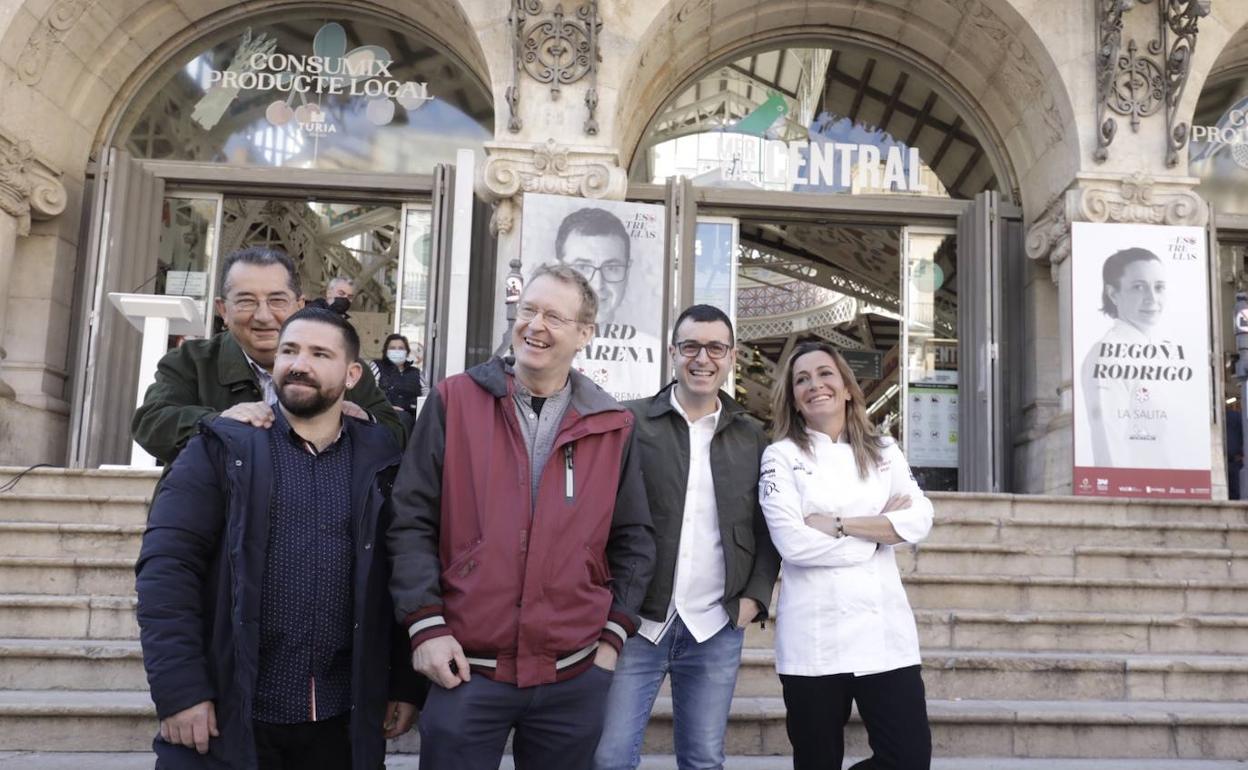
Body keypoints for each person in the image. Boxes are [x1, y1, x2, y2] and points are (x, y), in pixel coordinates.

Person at [387, 264, 656, 770]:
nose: (535, 325)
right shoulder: (454, 400)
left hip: (573, 676)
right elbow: (410, 519)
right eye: (528, 310)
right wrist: (425, 625)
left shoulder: (612, 424)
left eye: (554, 316)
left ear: (584, 334)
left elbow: (634, 538)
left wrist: (613, 638)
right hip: (466, 668)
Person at [135, 306, 424, 769]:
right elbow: (167, 572)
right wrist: (180, 690)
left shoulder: (382, 461)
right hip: (233, 718)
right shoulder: (220, 447)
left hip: (340, 725)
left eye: (318, 353)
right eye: (289, 350)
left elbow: (402, 573)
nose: (299, 363)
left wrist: (405, 685)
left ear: (351, 375)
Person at [594, 304, 780, 770]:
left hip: (715, 625)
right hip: (637, 622)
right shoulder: (629, 423)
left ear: (732, 356)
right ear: (674, 352)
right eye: (692, 346)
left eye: (715, 347)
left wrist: (754, 599)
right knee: (610, 756)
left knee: (702, 759)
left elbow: (769, 528)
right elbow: (599, 517)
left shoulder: (752, 437)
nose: (703, 358)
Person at [760, 341, 934, 770]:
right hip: (814, 640)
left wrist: (841, 524)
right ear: (794, 400)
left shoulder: (885, 450)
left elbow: (920, 519)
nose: (814, 385)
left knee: (908, 759)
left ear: (848, 388)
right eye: (802, 379)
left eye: (824, 374)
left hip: (885, 637)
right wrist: (879, 532)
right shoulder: (780, 456)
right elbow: (794, 545)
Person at [132, 247, 403, 463]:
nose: (263, 316)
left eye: (277, 301)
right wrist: (220, 422)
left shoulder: (340, 368)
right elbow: (151, 423)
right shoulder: (191, 361)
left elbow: (395, 433)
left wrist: (367, 422)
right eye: (246, 301)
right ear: (223, 310)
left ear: (299, 306)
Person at [1078, 248, 1181, 468]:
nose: (1152, 298)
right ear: (1113, 294)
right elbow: (1109, 443)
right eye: (1138, 287)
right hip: (1139, 496)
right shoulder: (1107, 354)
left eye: (1159, 287)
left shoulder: (1162, 350)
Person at [555, 207, 631, 323]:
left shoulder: (651, 341)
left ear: (627, 272)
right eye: (582, 267)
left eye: (611, 268)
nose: (598, 285)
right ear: (556, 271)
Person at [371, 333, 424, 432]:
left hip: (410, 420)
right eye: (392, 348)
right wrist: (387, 407)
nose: (397, 351)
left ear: (407, 352)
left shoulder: (416, 373)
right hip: (383, 417)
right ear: (386, 351)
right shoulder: (377, 366)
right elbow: (370, 391)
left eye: (400, 348)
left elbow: (426, 397)